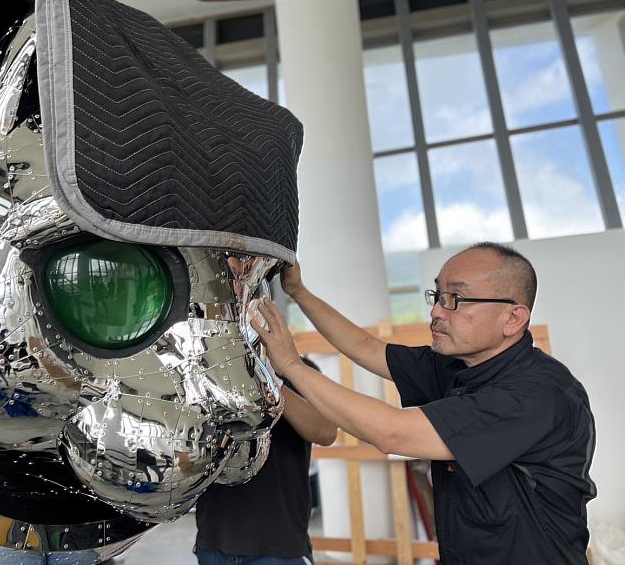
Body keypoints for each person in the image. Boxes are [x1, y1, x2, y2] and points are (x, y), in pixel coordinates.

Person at [252, 242, 596, 565]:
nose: (436, 311)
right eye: (438, 295)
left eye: (455, 299)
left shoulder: (536, 394)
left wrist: (291, 366)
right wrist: (299, 292)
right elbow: (368, 349)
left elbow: (392, 433)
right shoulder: (459, 366)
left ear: (513, 318)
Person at [194, 357, 338, 565]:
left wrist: (271, 382)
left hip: (278, 546)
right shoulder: (203, 371)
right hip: (214, 542)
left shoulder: (296, 369)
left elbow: (326, 432)